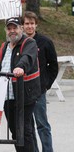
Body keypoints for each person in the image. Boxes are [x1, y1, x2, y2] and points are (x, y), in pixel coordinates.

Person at [0, 17, 41, 152]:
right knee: (15, 132)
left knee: (24, 131)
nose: (12, 31)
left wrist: (20, 67)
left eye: (14, 28)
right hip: (7, 96)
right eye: (9, 29)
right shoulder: (4, 46)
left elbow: (27, 57)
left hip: (24, 96)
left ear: (21, 28)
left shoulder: (29, 43)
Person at [21, 11, 58, 152]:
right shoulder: (20, 42)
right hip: (23, 90)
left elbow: (53, 66)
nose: (29, 26)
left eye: (32, 23)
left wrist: (46, 84)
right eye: (26, 23)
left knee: (42, 124)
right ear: (22, 26)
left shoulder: (45, 42)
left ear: (36, 25)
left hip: (39, 91)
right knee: (28, 126)